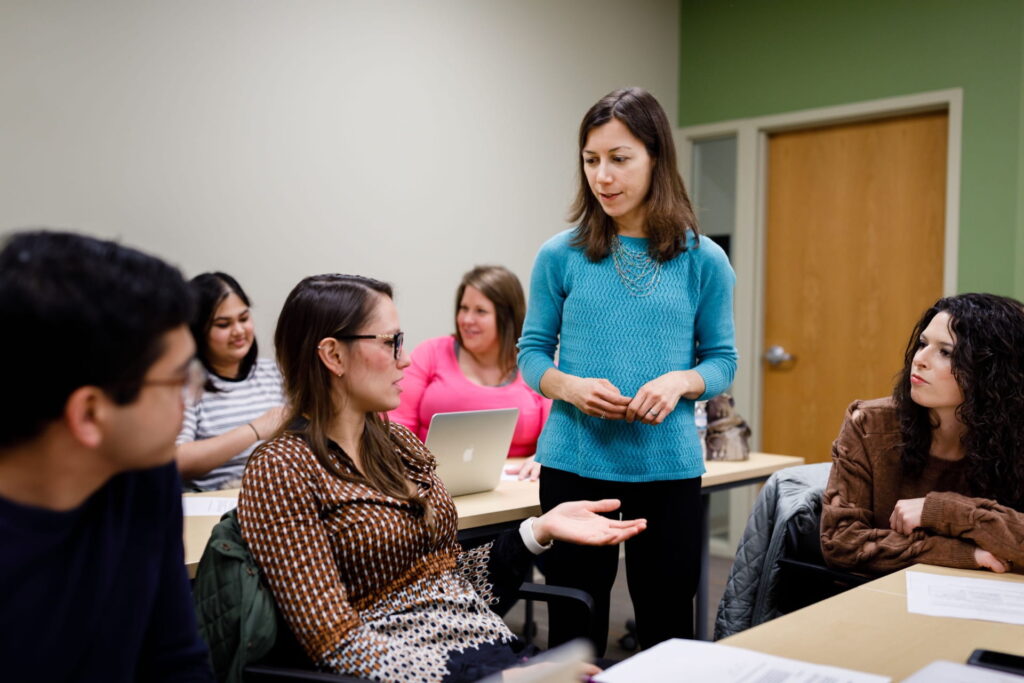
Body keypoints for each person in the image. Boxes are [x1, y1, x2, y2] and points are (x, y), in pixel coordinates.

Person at [236, 273, 647, 682]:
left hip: (492, 655)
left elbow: (449, 585)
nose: (406, 359)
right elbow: (334, 640)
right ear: (333, 355)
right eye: (390, 342)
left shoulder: (397, 444)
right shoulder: (281, 469)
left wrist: (535, 532)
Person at [517, 86, 738, 653]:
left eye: (620, 159)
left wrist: (680, 381)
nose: (603, 176)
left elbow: (722, 361)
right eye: (591, 161)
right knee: (575, 629)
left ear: (655, 158)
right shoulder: (559, 254)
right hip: (574, 464)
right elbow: (532, 352)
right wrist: (569, 386)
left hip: (666, 470)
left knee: (667, 628)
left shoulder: (704, 260)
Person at [0, 230, 214, 682]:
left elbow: (175, 659)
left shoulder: (142, 473)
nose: (193, 399)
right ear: (90, 414)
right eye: (179, 381)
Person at [821, 293, 1024, 575]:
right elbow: (841, 543)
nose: (920, 360)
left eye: (946, 352)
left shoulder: (1015, 436)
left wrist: (945, 511)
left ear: (992, 371)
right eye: (923, 344)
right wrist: (967, 554)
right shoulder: (870, 424)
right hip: (882, 596)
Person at [389, 265, 550, 479]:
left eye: (480, 311)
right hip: (430, 483)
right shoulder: (430, 353)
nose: (466, 319)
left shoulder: (533, 365)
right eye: (463, 308)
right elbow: (396, 430)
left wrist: (543, 457)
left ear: (506, 318)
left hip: (518, 488)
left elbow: (556, 436)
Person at [176, 272, 285, 491]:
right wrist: (254, 430)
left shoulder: (274, 373)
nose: (238, 331)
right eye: (223, 324)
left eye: (244, 319)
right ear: (198, 331)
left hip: (278, 495)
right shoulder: (185, 385)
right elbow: (178, 461)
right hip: (217, 503)